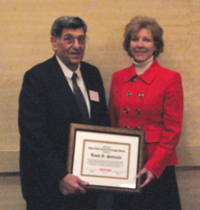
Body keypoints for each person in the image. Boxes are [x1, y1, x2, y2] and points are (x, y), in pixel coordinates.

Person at [18, 16, 110, 210]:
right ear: (54, 42)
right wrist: (60, 175)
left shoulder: (93, 74)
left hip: (87, 186)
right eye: (69, 39)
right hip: (50, 188)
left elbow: (102, 122)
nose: (76, 46)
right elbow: (33, 135)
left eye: (81, 39)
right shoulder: (37, 78)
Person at [109, 16, 183, 209]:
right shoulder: (117, 77)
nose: (140, 45)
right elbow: (113, 122)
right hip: (126, 166)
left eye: (146, 39)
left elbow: (173, 130)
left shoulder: (170, 78)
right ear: (128, 44)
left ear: (156, 45)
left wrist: (153, 167)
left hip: (157, 168)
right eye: (135, 39)